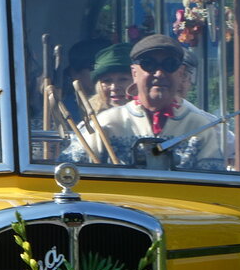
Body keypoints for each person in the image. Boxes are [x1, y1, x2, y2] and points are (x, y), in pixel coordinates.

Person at [66, 34, 226, 170]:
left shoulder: (199, 127)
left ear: (181, 73)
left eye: (169, 65)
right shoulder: (107, 124)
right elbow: (67, 172)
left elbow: (216, 187)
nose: (159, 73)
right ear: (134, 73)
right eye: (148, 64)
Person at [85, 42, 133, 115]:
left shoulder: (150, 119)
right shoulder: (92, 120)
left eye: (123, 79)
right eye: (107, 81)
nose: (114, 87)